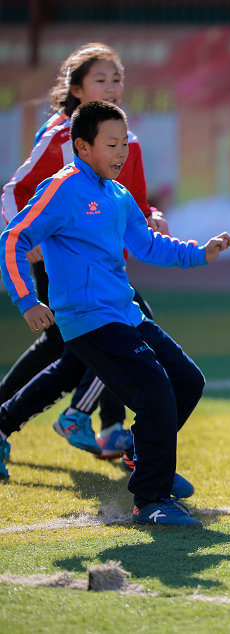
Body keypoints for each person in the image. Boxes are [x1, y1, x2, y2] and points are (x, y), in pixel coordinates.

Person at [0, 100, 230, 526]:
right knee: (154, 391)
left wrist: (201, 253)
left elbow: (147, 245)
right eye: (112, 144)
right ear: (82, 147)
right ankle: (151, 498)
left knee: (187, 381)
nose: (122, 152)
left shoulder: (118, 194)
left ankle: (141, 457)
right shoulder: (62, 188)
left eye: (125, 143)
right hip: (88, 320)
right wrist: (27, 300)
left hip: (124, 313)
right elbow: (12, 237)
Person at [1, 42, 168, 459]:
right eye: (101, 79)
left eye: (117, 78)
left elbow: (136, 200)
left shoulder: (129, 138)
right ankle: (84, 419)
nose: (112, 87)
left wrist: (152, 217)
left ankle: (108, 427)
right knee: (102, 335)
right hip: (67, 265)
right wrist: (28, 238)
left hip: (107, 268)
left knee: (75, 347)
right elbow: (15, 192)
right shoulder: (61, 137)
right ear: (76, 89)